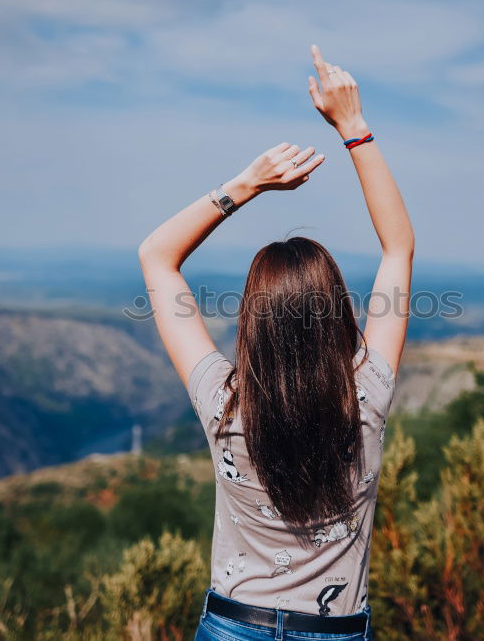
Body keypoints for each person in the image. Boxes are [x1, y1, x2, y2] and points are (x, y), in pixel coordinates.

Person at [139, 44, 414, 641]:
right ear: (339, 315)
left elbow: (157, 258)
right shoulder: (366, 395)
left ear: (251, 323)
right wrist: (354, 128)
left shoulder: (224, 403)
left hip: (234, 627)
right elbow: (398, 249)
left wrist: (247, 185)